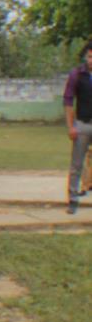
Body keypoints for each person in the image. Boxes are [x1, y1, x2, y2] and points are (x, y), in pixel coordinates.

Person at [62, 41, 92, 215]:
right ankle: (73, 199)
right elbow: (68, 100)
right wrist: (70, 125)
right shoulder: (77, 74)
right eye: (89, 56)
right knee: (77, 165)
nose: (91, 60)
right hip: (82, 124)